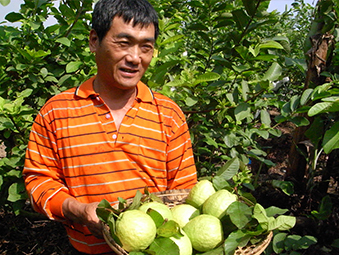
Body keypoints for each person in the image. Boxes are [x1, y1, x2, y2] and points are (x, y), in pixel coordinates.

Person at [23, 0, 197, 254]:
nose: (135, 58)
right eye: (123, 43)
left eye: (146, 47)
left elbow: (184, 194)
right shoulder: (57, 112)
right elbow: (39, 180)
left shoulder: (168, 114)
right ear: (94, 41)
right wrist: (78, 211)